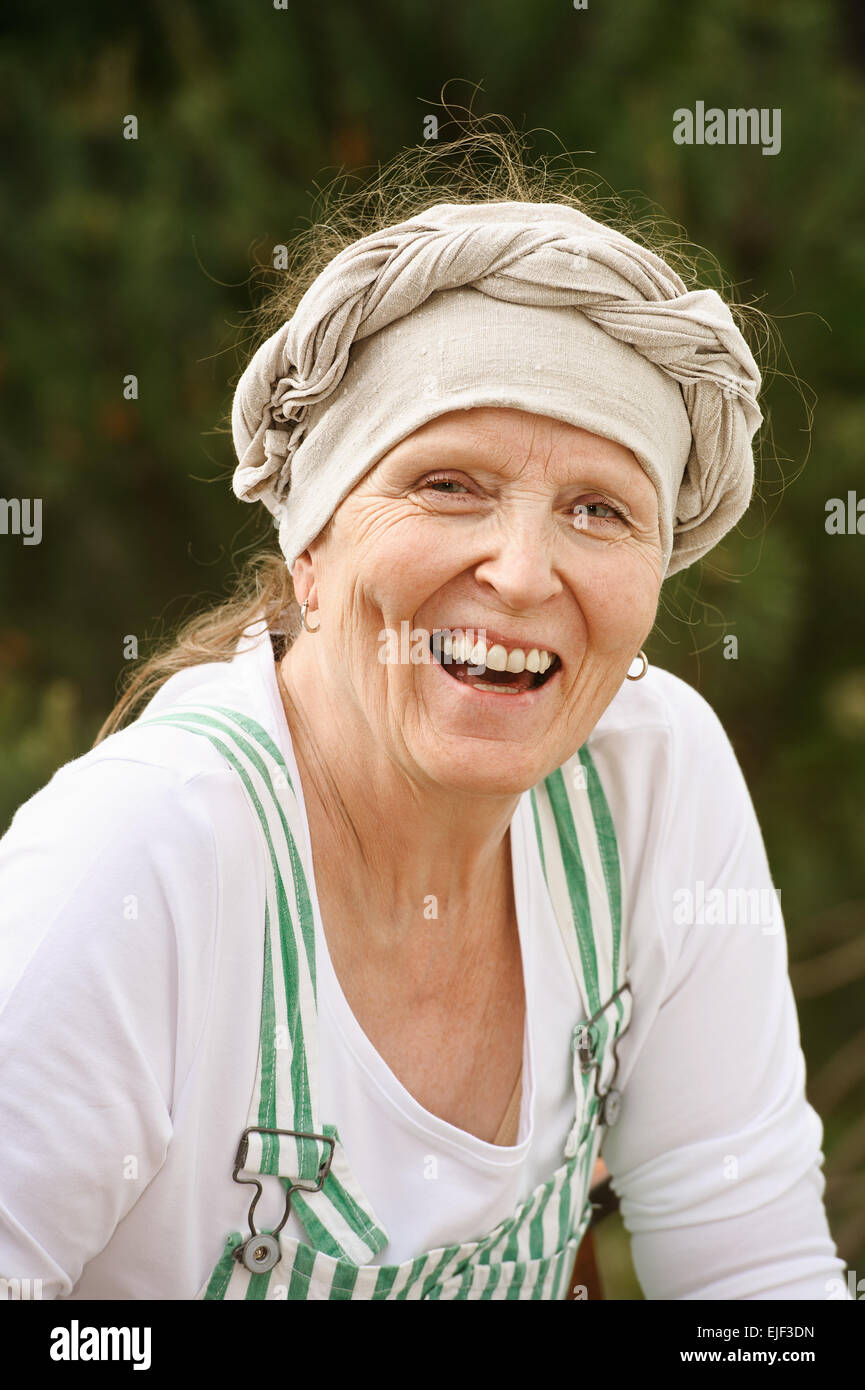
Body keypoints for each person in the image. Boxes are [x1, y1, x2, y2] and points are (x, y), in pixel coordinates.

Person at [0, 158, 852, 1300]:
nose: (519, 571)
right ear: (311, 543)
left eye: (598, 509)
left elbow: (752, 1277)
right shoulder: (139, 853)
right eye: (448, 484)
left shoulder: (654, 781)